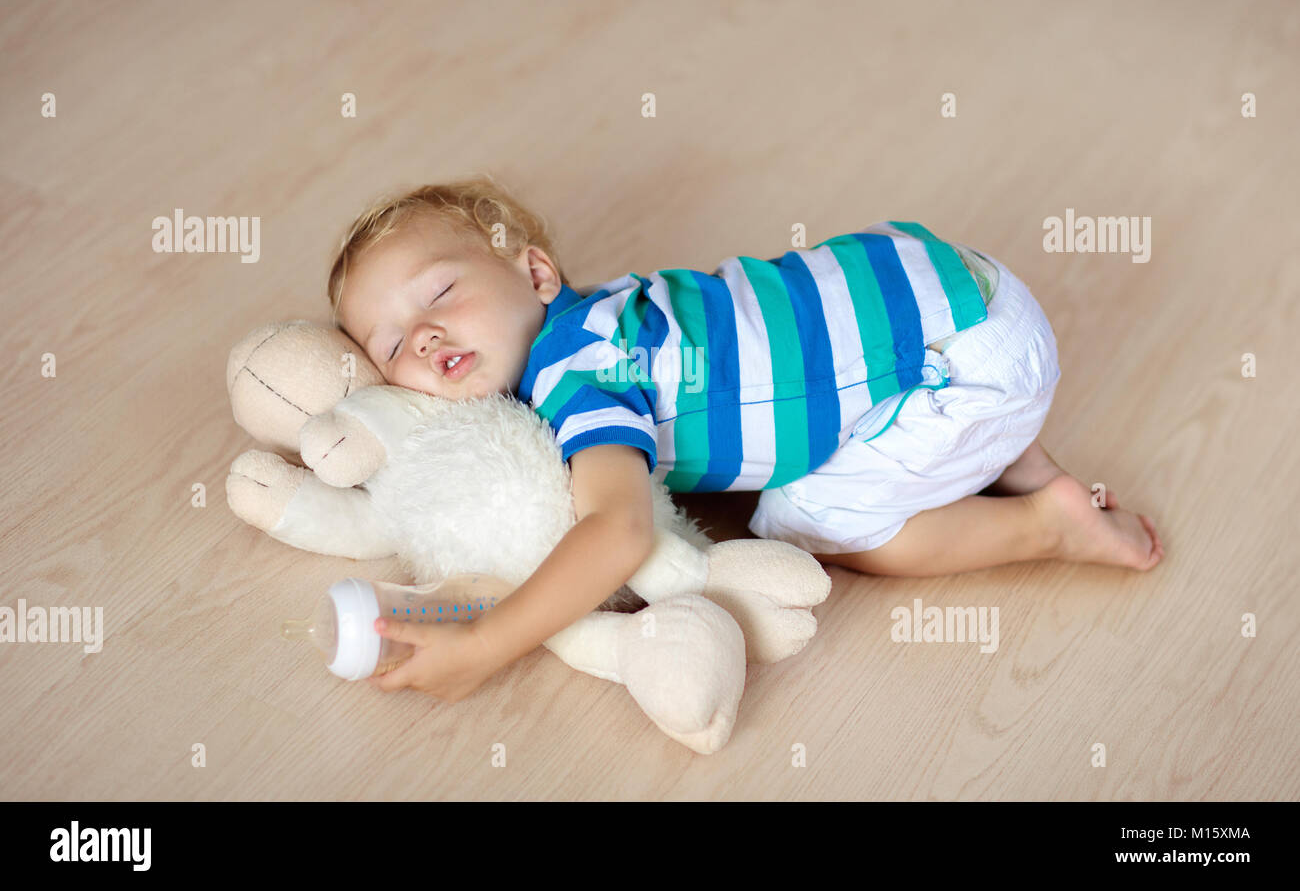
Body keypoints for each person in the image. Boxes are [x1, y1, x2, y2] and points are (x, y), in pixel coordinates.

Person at [327, 174, 1163, 702]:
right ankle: (1010, 453)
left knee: (807, 518)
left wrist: (484, 642)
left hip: (969, 362)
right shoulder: (614, 308)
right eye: (393, 346)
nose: (427, 337)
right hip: (949, 279)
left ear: (536, 274)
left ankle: (1047, 519)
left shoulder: (576, 377)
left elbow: (615, 531)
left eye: (439, 292)